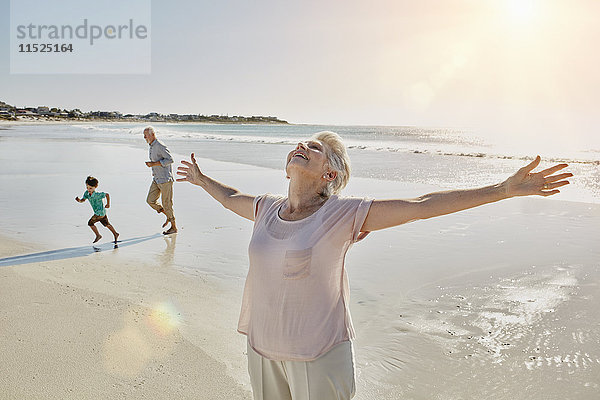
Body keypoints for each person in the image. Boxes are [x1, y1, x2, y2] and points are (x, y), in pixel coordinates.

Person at [176, 131, 572, 400]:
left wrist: (502, 190)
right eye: (301, 143)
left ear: (329, 173)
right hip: (261, 348)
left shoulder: (342, 214)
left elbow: (421, 206)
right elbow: (232, 197)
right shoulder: (266, 209)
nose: (302, 145)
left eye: (314, 147)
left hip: (318, 353)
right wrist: (200, 178)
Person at [143, 126, 177, 235]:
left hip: (165, 179)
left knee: (167, 204)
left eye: (146, 135)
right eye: (144, 136)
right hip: (156, 179)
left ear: (152, 134)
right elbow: (158, 160)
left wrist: (153, 164)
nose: (144, 137)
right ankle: (168, 215)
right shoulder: (151, 146)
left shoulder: (160, 145)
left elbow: (170, 160)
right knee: (150, 200)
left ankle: (173, 228)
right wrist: (153, 169)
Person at [75, 175, 120, 244]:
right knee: (107, 224)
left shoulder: (97, 195)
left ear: (95, 187)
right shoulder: (86, 193)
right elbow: (83, 200)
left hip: (99, 213)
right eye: (87, 187)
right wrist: (79, 200)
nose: (88, 190)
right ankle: (115, 233)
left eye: (90, 188)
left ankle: (98, 235)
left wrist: (108, 204)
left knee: (90, 223)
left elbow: (107, 195)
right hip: (102, 213)